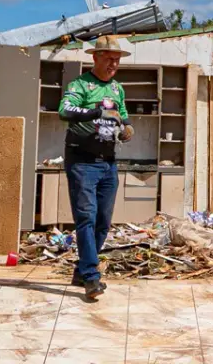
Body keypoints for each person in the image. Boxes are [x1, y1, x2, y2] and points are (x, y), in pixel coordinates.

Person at [58, 36, 134, 299]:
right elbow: (64, 110)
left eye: (117, 59)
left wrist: (127, 127)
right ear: (95, 57)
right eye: (109, 58)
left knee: (103, 222)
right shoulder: (80, 85)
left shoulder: (117, 89)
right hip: (82, 161)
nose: (114, 63)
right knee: (86, 219)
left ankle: (81, 270)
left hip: (108, 163)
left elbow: (122, 115)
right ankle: (91, 277)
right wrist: (95, 113)